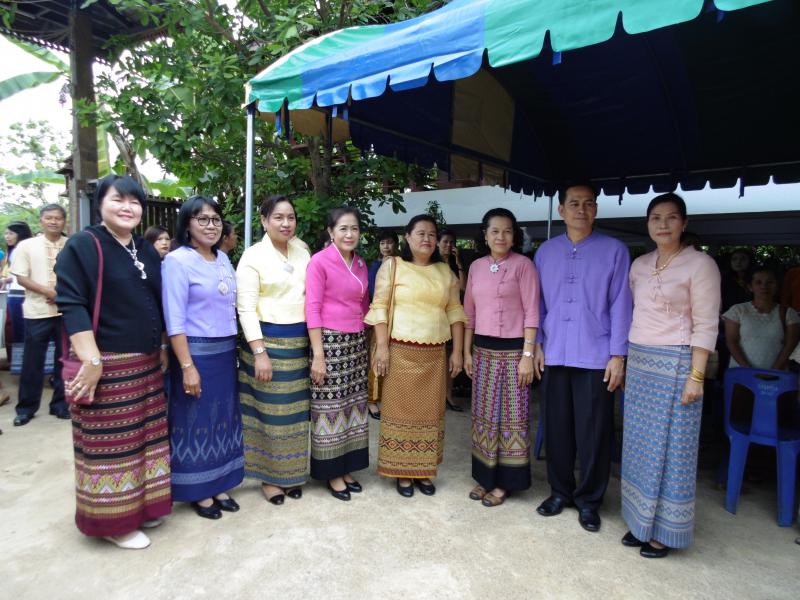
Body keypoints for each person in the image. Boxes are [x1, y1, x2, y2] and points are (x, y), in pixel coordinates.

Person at [55, 174, 171, 550]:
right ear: (100, 203)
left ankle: (140, 509)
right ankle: (113, 522)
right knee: (112, 447)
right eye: (118, 199)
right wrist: (91, 360)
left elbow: (156, 302)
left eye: (134, 201)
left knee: (145, 442)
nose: (127, 207)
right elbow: (71, 302)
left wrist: (162, 345)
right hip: (107, 364)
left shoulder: (144, 248)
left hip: (147, 363)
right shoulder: (84, 245)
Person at [621, 192, 720, 559]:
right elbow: (635, 312)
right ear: (647, 224)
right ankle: (639, 523)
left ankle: (663, 532)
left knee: (674, 448)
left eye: (671, 217)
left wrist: (697, 376)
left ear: (684, 222)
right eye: (655, 218)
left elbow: (706, 324)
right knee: (640, 446)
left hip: (678, 365)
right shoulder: (640, 265)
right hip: (640, 362)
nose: (663, 224)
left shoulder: (700, 264)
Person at [532, 181, 632, 533]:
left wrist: (618, 354)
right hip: (554, 352)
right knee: (556, 428)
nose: (581, 209)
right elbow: (537, 304)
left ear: (596, 210)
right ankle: (560, 492)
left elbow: (621, 305)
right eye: (574, 203)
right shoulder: (546, 252)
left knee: (594, 432)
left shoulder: (615, 251)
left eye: (588, 203)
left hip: (596, 355)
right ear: (561, 210)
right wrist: (537, 343)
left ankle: (589, 500)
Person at [365, 214, 466, 497]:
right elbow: (379, 306)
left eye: (432, 234)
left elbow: (455, 311)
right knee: (400, 412)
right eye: (420, 233)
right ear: (407, 237)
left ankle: (423, 470)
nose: (427, 239)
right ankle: (401, 472)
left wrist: (458, 352)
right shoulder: (393, 266)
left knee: (430, 415)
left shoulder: (445, 272)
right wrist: (382, 347)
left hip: (434, 355)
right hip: (400, 351)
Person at [162, 196, 244, 520]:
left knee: (221, 419)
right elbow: (175, 320)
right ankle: (198, 490)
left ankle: (219, 483)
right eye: (202, 219)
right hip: (195, 353)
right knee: (194, 421)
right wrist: (187, 367)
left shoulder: (223, 258)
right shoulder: (177, 261)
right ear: (187, 225)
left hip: (224, 352)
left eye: (216, 219)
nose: (211, 226)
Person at [236, 195, 311, 505]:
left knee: (295, 415)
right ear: (264, 221)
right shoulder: (252, 256)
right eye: (278, 217)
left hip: (299, 344)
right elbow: (245, 308)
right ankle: (269, 478)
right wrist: (259, 352)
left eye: (290, 217)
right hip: (266, 343)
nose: (285, 223)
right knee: (269, 414)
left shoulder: (303, 252)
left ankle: (291, 474)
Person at [463, 208, 539, 507]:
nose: (501, 236)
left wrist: (527, 355)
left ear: (514, 235)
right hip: (482, 351)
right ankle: (485, 477)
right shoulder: (476, 267)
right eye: (495, 231)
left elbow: (532, 311)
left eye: (507, 231)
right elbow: (469, 313)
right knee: (483, 416)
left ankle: (506, 482)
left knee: (511, 417)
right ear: (485, 235)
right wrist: (466, 352)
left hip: (513, 352)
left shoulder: (524, 266)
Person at [305, 207, 371, 501]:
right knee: (329, 407)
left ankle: (346, 466)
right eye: (343, 228)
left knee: (352, 405)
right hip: (330, 342)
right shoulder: (319, 261)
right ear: (331, 232)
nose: (349, 234)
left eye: (354, 228)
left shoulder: (360, 263)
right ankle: (331, 471)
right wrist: (318, 355)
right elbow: (312, 308)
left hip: (356, 342)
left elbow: (365, 305)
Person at [10, 205, 69, 425]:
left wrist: (62, 294)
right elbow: (21, 277)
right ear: (41, 221)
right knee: (32, 362)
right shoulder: (27, 246)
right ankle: (26, 408)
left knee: (63, 360)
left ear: (64, 222)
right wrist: (47, 291)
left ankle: (60, 404)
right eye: (49, 218)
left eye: (58, 218)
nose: (53, 222)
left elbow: (79, 275)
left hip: (65, 311)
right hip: (37, 311)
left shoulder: (71, 244)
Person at [723, 266, 800, 370]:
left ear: (777, 286)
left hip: (777, 375)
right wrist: (747, 369)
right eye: (758, 282)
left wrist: (774, 371)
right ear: (750, 287)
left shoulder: (789, 313)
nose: (764, 286)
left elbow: (790, 345)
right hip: (741, 373)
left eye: (770, 282)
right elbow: (731, 341)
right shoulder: (737, 311)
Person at [366, 229, 399, 420]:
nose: (386, 246)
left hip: (399, 319)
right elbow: (372, 293)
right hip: (379, 319)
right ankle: (371, 401)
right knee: (376, 358)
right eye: (382, 243)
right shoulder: (375, 265)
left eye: (389, 242)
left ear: (396, 244)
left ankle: (389, 400)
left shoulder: (402, 264)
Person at [2, 221, 33, 367]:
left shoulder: (21, 250)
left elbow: (24, 275)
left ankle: (22, 364)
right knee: (16, 329)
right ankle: (20, 363)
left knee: (20, 330)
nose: (7, 236)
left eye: (11, 233)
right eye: (6, 233)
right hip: (15, 293)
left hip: (20, 294)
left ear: (20, 234)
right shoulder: (14, 250)